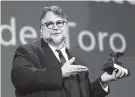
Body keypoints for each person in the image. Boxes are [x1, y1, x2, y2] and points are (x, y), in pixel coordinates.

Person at [11, 6, 126, 97]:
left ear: (66, 27)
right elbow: (21, 77)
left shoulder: (77, 61)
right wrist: (60, 73)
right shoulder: (27, 51)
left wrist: (102, 81)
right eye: (49, 24)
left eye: (60, 23)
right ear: (41, 30)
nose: (55, 27)